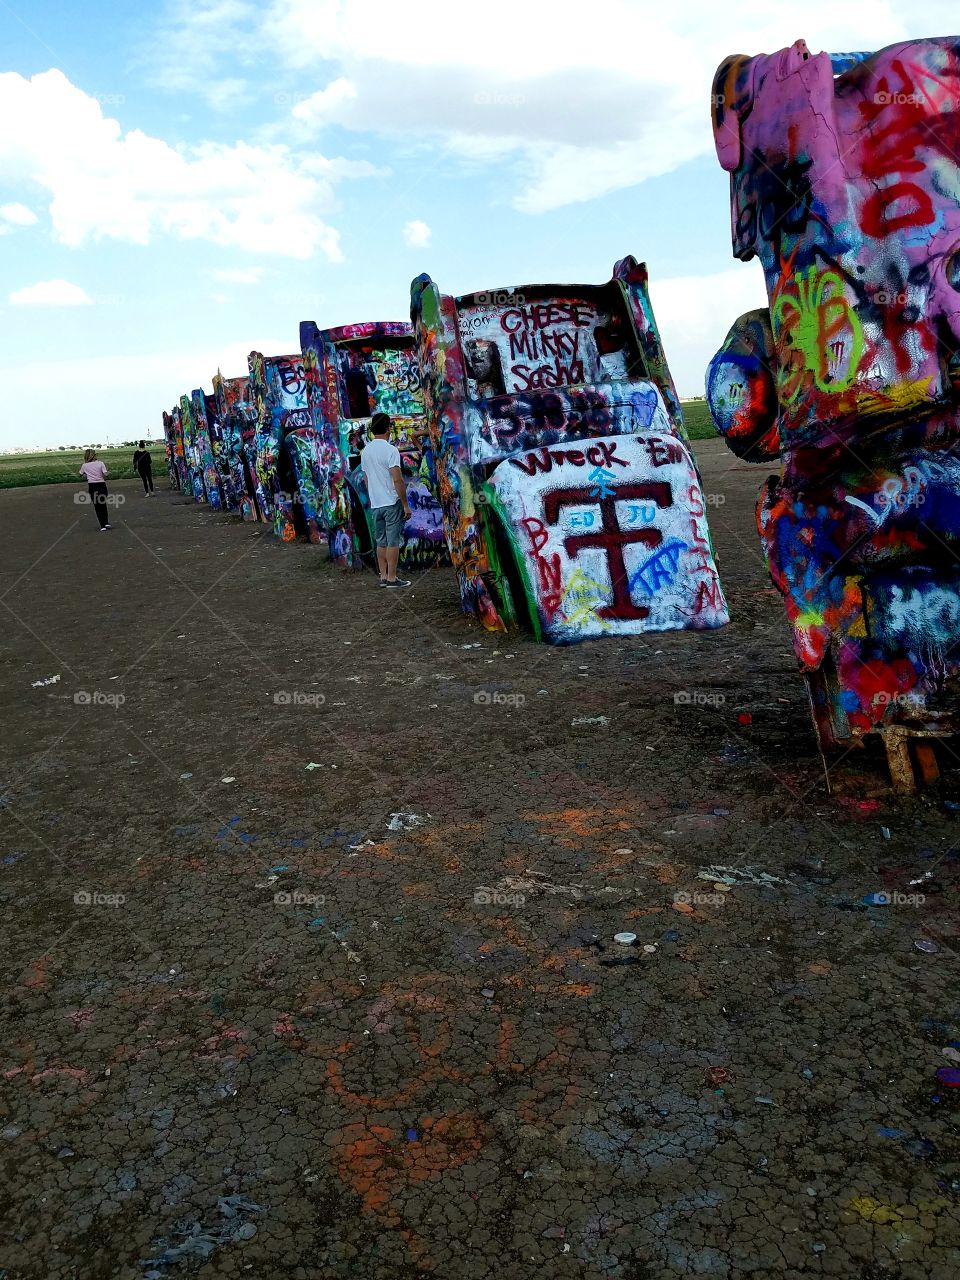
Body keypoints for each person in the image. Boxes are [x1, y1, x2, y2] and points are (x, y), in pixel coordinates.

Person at [360, 412, 412, 588]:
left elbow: (366, 479)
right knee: (393, 541)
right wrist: (405, 504)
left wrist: (373, 495)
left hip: (376, 504)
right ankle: (392, 578)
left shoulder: (365, 451)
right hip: (391, 502)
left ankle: (382, 576)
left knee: (380, 541)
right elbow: (397, 479)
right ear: (388, 428)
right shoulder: (391, 450)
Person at [79, 449, 112, 531]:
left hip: (92, 486)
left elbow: (80, 474)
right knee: (103, 504)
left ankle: (102, 525)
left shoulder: (84, 465)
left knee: (97, 506)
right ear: (94, 455)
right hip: (101, 485)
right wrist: (109, 473)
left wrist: (87, 474)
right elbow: (105, 474)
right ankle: (106, 522)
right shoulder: (100, 463)